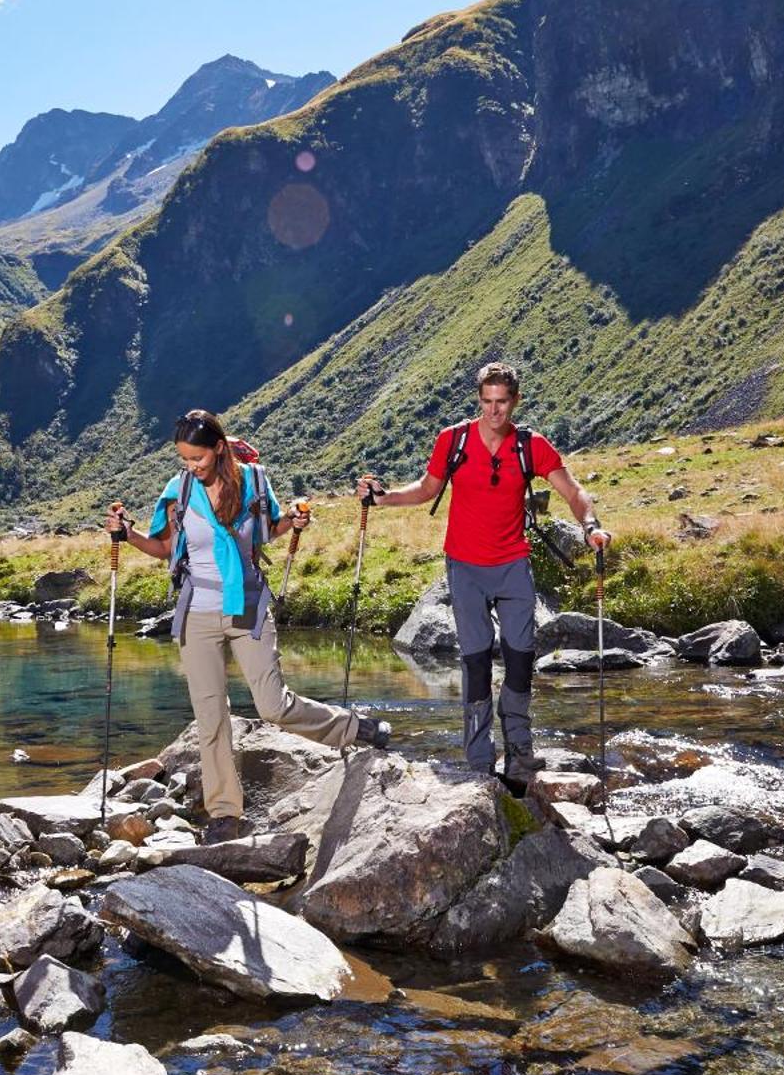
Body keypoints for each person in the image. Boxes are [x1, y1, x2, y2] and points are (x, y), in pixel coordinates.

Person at [109, 409, 389, 844]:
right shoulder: (178, 489)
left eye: (197, 459)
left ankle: (354, 728)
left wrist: (292, 523)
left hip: (248, 604)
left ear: (219, 448)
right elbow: (165, 549)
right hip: (197, 612)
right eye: (184, 459)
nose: (191, 467)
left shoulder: (254, 481)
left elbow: (268, 530)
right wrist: (126, 535)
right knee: (210, 716)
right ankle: (226, 814)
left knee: (272, 705)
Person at [359, 362, 610, 779]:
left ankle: (519, 750)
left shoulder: (530, 445)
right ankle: (479, 759)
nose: (494, 411)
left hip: (513, 565)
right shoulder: (453, 441)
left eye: (502, 403)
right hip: (466, 568)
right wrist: (381, 499)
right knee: (475, 661)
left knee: (520, 657)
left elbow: (573, 490)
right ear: (479, 400)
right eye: (487, 402)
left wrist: (590, 526)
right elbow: (426, 489)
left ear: (515, 401)